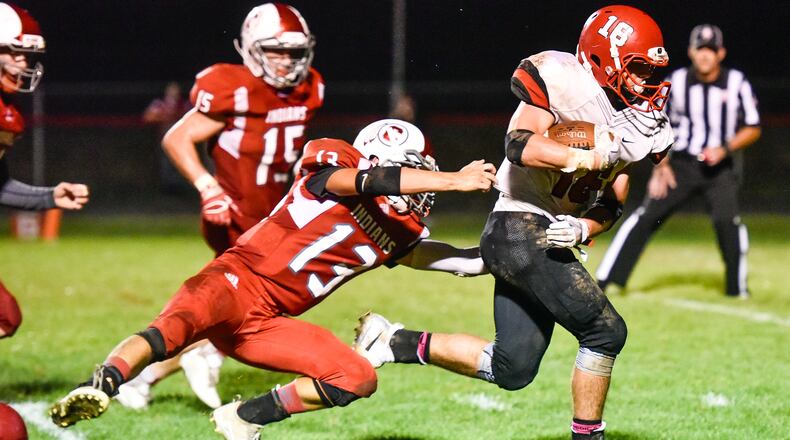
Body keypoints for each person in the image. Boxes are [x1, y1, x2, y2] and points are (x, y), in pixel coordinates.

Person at [49, 119, 497, 439]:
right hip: (234, 280)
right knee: (170, 328)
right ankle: (101, 384)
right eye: (413, 170)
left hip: (267, 322)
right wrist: (454, 181)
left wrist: (515, 251)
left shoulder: (400, 231)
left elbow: (463, 262)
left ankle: (244, 417)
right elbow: (368, 179)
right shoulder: (335, 168)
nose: (422, 186)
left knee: (356, 377)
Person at [353, 6, 674, 440]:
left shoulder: (640, 119)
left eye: (651, 72)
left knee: (513, 367)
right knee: (604, 331)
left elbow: (613, 202)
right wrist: (581, 154)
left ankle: (393, 342)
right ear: (603, 58)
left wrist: (584, 229)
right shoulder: (562, 78)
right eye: (637, 69)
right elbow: (519, 144)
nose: (647, 83)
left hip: (545, 234)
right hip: (519, 225)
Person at [116, 3, 326, 410]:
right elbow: (177, 138)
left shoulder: (310, 88)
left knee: (244, 310)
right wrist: (208, 187)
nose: (286, 61)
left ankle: (166, 367)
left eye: (294, 52)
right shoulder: (234, 86)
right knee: (248, 307)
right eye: (275, 51)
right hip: (233, 214)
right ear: (249, 49)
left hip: (273, 215)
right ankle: (158, 367)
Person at [596, 24, 761, 299]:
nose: (705, 56)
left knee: (726, 222)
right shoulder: (677, 82)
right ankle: (606, 279)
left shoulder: (737, 83)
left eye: (710, 50)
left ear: (721, 53)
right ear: (691, 52)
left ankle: (737, 289)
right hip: (681, 165)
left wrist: (724, 149)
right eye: (700, 49)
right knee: (646, 216)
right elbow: (657, 125)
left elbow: (753, 127)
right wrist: (661, 167)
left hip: (721, 168)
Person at [0, 2, 89, 339]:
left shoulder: (8, 113)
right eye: (15, 53)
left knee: (5, 317)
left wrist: (50, 196)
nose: (24, 64)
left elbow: (0, 186)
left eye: (26, 55)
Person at [142, 81, 191, 193]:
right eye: (171, 90)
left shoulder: (183, 104)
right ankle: (167, 189)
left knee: (180, 162)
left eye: (176, 90)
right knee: (165, 163)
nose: (173, 92)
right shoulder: (159, 104)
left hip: (181, 140)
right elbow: (147, 117)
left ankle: (181, 189)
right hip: (164, 138)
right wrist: (163, 116)